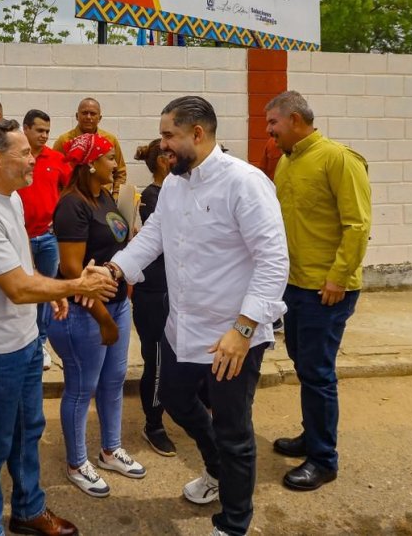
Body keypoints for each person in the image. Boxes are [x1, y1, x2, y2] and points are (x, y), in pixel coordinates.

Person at [107, 96, 288, 536]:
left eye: (169, 135)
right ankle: (216, 469)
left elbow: (273, 259)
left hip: (232, 336)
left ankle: (234, 522)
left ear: (198, 134)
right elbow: (153, 237)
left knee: (234, 429)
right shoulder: (174, 183)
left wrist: (243, 329)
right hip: (183, 327)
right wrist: (116, 268)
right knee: (175, 400)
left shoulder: (244, 182)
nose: (162, 145)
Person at [0, 118, 117, 536]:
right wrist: (76, 284)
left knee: (28, 433)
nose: (33, 158)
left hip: (22, 343)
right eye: (24, 152)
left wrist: (53, 290)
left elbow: (20, 266)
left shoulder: (10, 196)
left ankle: (28, 510)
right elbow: (18, 288)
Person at [265, 90, 371, 491]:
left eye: (273, 123)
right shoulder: (288, 163)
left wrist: (338, 277)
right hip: (293, 285)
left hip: (325, 290)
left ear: (294, 119)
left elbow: (357, 224)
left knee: (318, 373)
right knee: (305, 367)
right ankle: (311, 437)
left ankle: (323, 459)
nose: (270, 132)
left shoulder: (338, 159)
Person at [48, 132, 146, 498]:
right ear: (90, 164)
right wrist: (104, 317)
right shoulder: (72, 206)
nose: (115, 164)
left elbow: (114, 243)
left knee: (114, 379)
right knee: (81, 387)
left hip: (116, 304)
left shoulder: (103, 194)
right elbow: (74, 273)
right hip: (86, 313)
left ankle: (110, 449)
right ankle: (77, 463)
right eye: (108, 158)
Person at [130, 139, 177, 457]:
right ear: (162, 161)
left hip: (172, 291)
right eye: (171, 154)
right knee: (157, 361)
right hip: (153, 292)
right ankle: (154, 425)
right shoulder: (152, 196)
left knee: (177, 357)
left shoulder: (175, 192)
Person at [18, 109, 71, 371]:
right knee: (23, 290)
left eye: (47, 131)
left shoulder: (56, 158)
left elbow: (71, 189)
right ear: (25, 128)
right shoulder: (17, 158)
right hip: (21, 240)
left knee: (46, 292)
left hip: (48, 239)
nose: (44, 136)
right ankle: (24, 340)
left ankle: (40, 341)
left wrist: (60, 216)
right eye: (39, 130)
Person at [53, 97, 126, 200]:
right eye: (84, 113)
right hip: (74, 199)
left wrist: (115, 196)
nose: (88, 117)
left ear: (99, 118)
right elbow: (55, 174)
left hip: (103, 199)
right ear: (77, 116)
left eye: (92, 113)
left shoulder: (110, 140)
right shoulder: (64, 141)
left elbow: (120, 172)